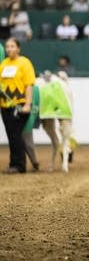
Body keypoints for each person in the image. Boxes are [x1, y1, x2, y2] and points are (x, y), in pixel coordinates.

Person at [0, 38, 36, 173]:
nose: (9, 49)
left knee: (15, 134)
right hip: (5, 106)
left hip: (19, 105)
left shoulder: (24, 63)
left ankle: (19, 165)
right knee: (11, 134)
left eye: (12, 46)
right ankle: (13, 163)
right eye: (7, 46)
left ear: (18, 48)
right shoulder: (3, 64)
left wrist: (28, 104)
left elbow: (29, 85)